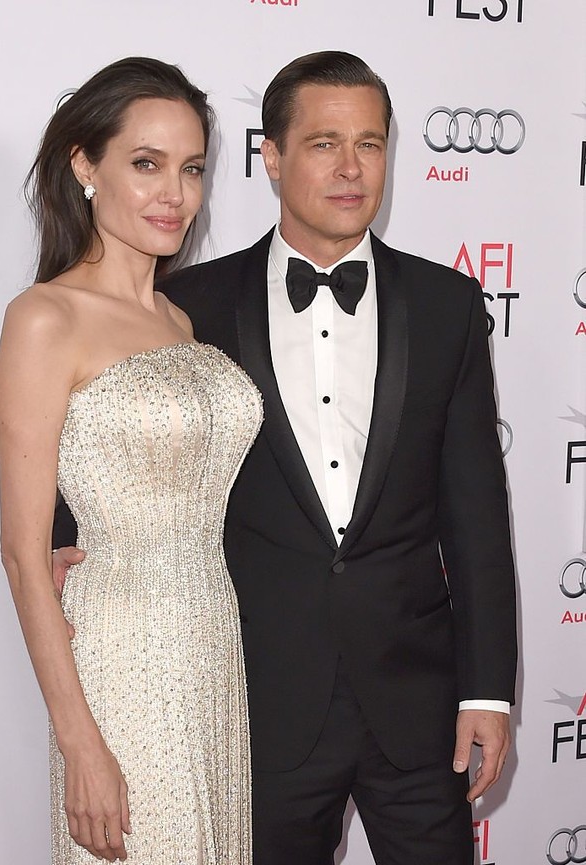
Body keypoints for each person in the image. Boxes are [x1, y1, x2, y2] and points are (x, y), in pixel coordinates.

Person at [53, 51, 517, 865]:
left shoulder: (448, 306)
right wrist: (70, 534)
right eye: (323, 143)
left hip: (418, 708)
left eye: (370, 145)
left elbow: (476, 513)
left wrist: (486, 689)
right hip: (257, 698)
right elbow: (114, 430)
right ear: (269, 156)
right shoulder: (187, 306)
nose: (350, 169)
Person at [0, 57, 260, 865]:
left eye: (191, 169)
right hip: (120, 657)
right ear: (85, 165)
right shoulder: (46, 317)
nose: (173, 194)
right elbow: (22, 550)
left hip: (212, 644)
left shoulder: (182, 321)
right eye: (145, 164)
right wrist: (81, 742)